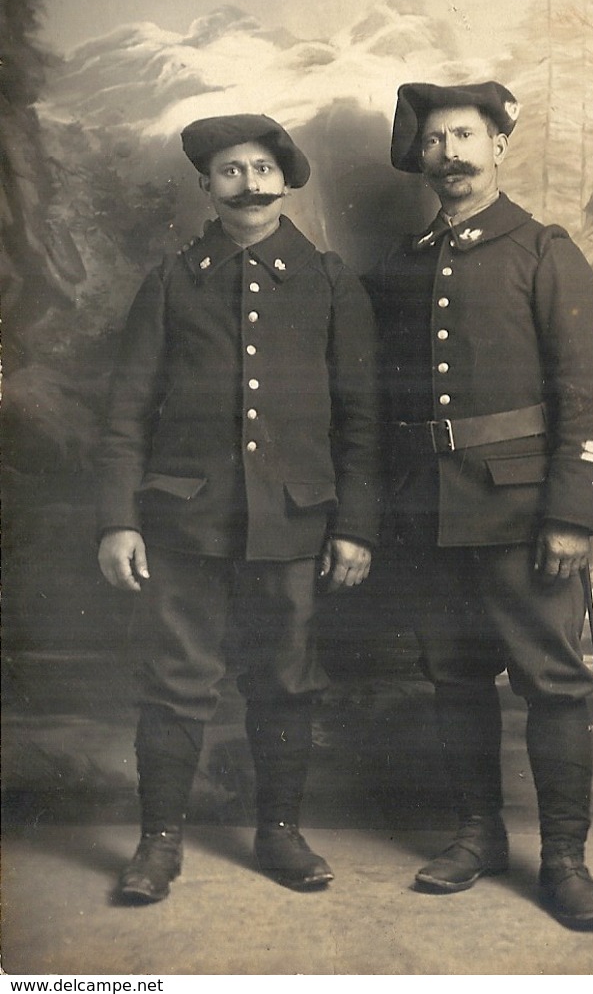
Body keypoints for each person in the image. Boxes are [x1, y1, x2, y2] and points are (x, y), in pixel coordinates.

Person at [97, 114, 380, 902]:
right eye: (229, 170)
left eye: (262, 167)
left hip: (293, 525)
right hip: (182, 524)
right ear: (206, 187)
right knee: (175, 681)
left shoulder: (328, 282)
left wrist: (355, 524)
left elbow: (362, 420)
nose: (248, 182)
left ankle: (280, 831)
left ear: (285, 179)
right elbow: (125, 414)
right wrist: (119, 519)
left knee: (285, 680)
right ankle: (158, 843)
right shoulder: (172, 280)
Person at [367, 81, 593, 931]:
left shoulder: (545, 250)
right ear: (422, 158)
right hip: (431, 513)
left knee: (551, 683)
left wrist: (572, 513)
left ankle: (565, 859)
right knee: (454, 677)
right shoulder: (401, 266)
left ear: (499, 145)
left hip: (525, 513)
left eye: (465, 135)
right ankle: (479, 835)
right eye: (435, 141)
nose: (450, 154)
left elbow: (591, 391)